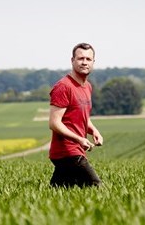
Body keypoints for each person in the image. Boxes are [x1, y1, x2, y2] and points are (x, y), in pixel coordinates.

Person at [48, 42, 103, 188]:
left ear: (93, 62)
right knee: (96, 186)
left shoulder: (87, 87)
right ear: (72, 60)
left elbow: (81, 115)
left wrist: (93, 131)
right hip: (67, 151)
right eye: (80, 58)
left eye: (88, 59)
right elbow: (54, 123)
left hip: (75, 150)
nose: (84, 62)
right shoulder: (64, 87)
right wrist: (79, 139)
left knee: (60, 191)